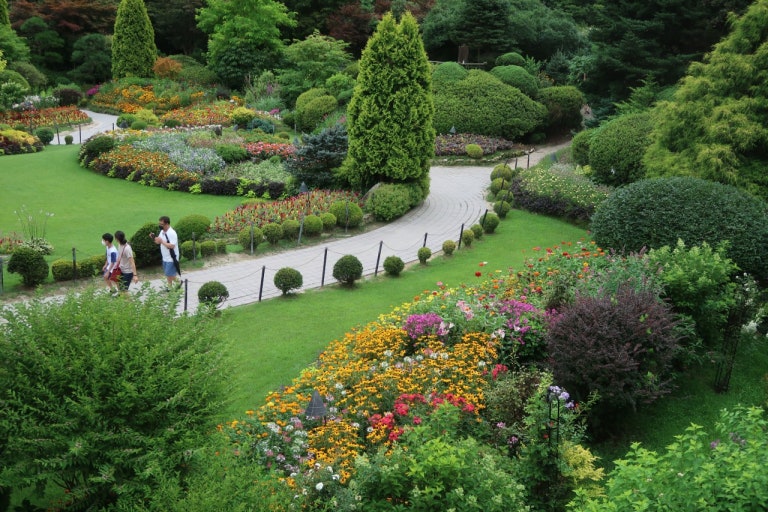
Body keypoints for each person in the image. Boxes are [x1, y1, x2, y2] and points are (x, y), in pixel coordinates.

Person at [151, 215, 180, 288]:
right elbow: (158, 242)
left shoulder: (172, 233)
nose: (160, 226)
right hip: (165, 257)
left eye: (162, 224)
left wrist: (162, 241)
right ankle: (170, 287)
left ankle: (179, 282)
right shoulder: (162, 232)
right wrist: (153, 238)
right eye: (159, 224)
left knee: (169, 273)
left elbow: (172, 246)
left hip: (171, 257)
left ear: (167, 224)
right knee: (168, 274)